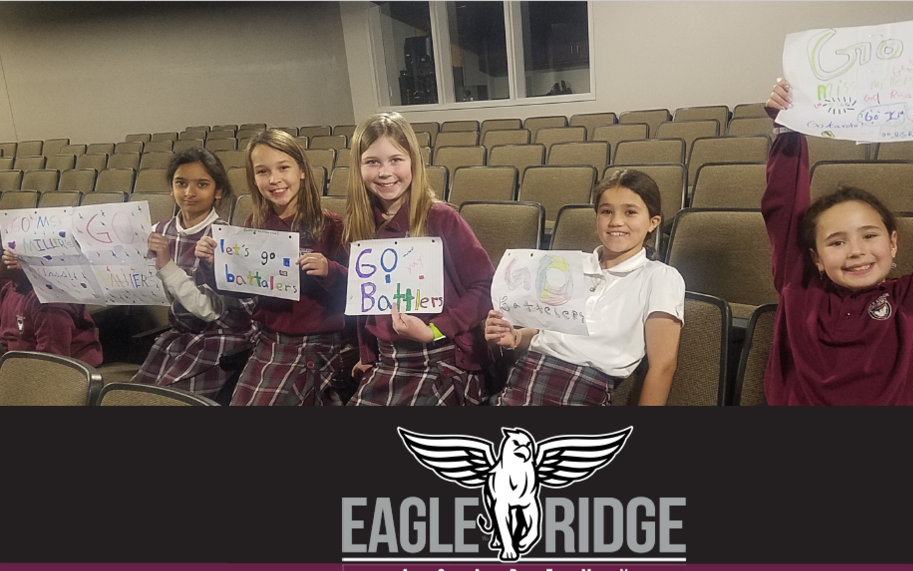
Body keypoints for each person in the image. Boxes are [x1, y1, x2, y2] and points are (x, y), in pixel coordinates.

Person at [761, 71, 913, 405]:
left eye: (869, 235)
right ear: (815, 258)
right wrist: (787, 127)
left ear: (893, 243)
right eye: (836, 242)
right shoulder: (798, 289)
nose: (856, 251)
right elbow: (783, 209)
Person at [485, 168, 685, 406]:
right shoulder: (570, 265)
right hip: (525, 374)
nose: (616, 221)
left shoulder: (660, 277)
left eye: (630, 212)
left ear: (653, 222)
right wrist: (515, 335)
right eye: (606, 211)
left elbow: (663, 366)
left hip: (582, 388)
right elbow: (547, 332)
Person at [344, 112, 495, 406]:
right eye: (372, 162)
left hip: (441, 357)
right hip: (387, 361)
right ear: (358, 168)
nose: (385, 172)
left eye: (396, 160)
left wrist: (434, 330)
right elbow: (366, 302)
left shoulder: (441, 218)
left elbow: (485, 287)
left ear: (413, 161)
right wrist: (367, 355)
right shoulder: (360, 226)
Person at [195, 130, 355, 406]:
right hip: (269, 339)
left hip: (318, 340)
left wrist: (330, 271)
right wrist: (213, 264)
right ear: (253, 178)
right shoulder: (254, 224)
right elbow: (241, 289)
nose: (274, 180)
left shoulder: (331, 225)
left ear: (302, 171)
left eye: (283, 168)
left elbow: (356, 292)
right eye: (262, 171)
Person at [132, 147, 257, 403]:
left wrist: (166, 265)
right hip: (179, 335)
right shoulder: (159, 230)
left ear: (217, 191)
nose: (189, 193)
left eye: (202, 184)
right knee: (134, 397)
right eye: (181, 183)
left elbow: (210, 310)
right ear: (171, 187)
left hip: (221, 337)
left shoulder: (224, 236)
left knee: (171, 401)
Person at [0, 253, 103, 366]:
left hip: (68, 373)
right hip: (22, 368)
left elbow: (52, 362)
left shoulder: (49, 302)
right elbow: (5, 340)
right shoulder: (9, 289)